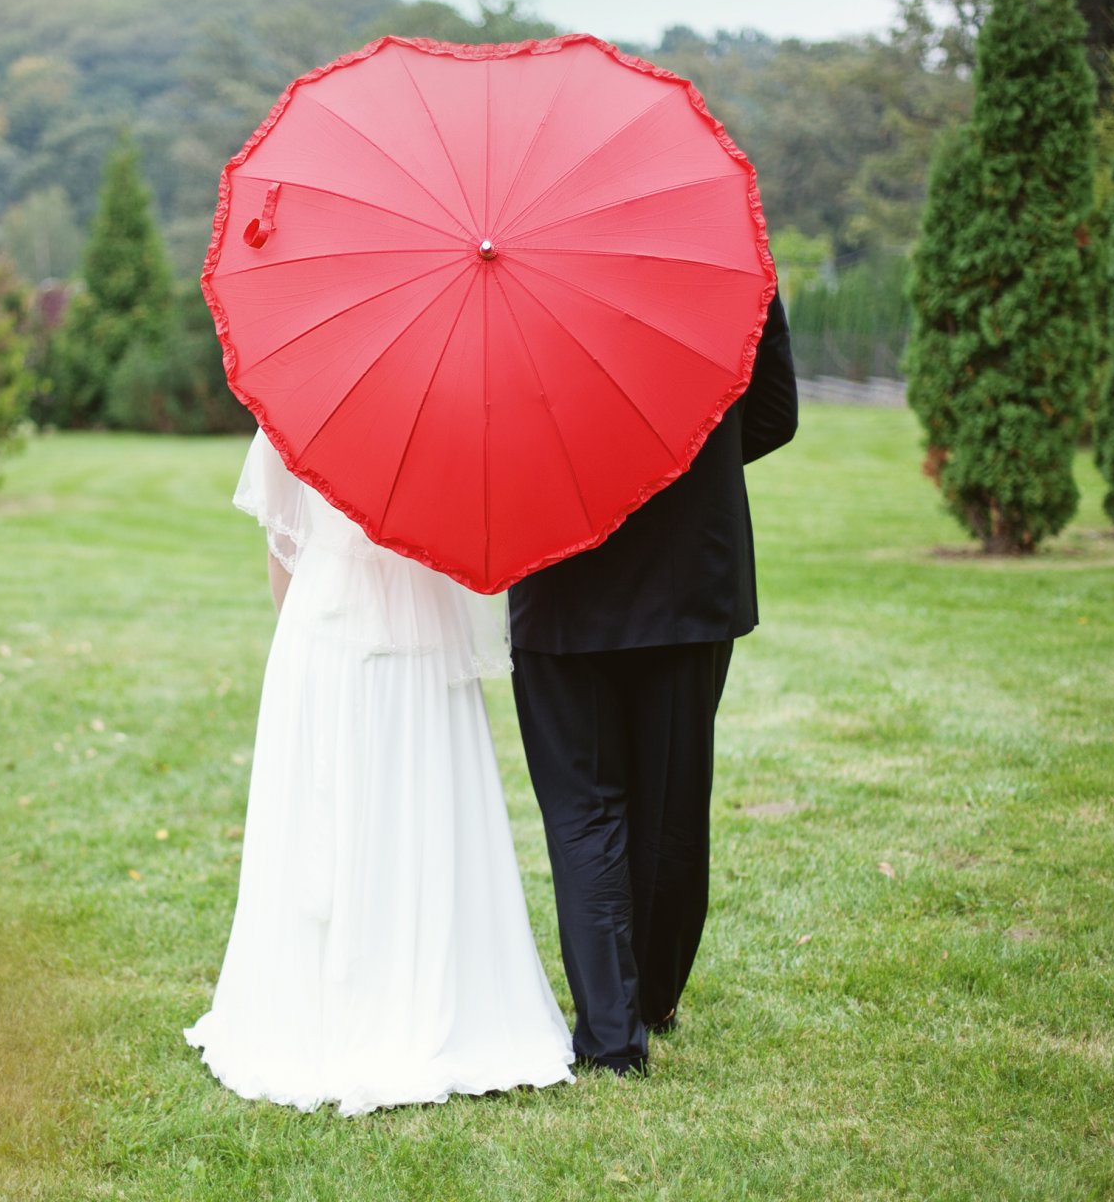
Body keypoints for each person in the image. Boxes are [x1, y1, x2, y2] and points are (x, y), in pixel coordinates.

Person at [185, 428, 574, 1115]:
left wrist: (305, 640)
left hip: (325, 625)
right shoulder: (453, 412)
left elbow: (282, 546)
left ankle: (319, 1010)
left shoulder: (299, 407)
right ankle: (428, 991)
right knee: (423, 806)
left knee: (327, 809)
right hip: (423, 629)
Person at [507, 291, 799, 1075]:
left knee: (583, 807)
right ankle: (654, 997)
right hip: (687, 569)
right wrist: (680, 468)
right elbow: (774, 414)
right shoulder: (727, 261)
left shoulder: (508, 264)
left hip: (560, 565)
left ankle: (612, 1033)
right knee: (670, 801)